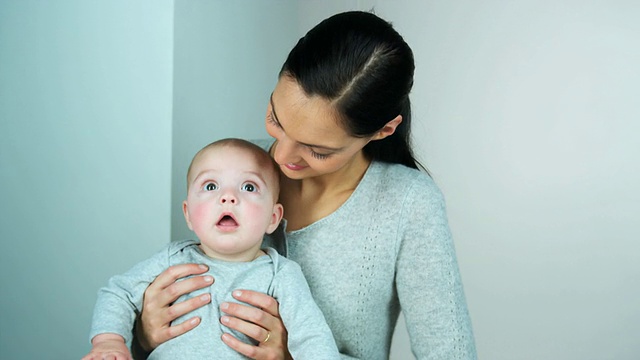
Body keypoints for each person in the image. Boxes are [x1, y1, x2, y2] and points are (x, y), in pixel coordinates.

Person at [133, 10, 477, 360]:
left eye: (317, 150)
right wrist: (144, 333)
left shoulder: (408, 204)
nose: (281, 156)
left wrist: (294, 355)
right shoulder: (230, 173)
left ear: (382, 131)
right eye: (275, 120)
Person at [83, 139, 340, 360]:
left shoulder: (280, 273)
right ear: (189, 215)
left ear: (273, 218)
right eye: (210, 186)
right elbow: (118, 293)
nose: (228, 197)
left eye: (249, 187)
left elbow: (312, 337)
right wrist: (109, 341)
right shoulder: (173, 260)